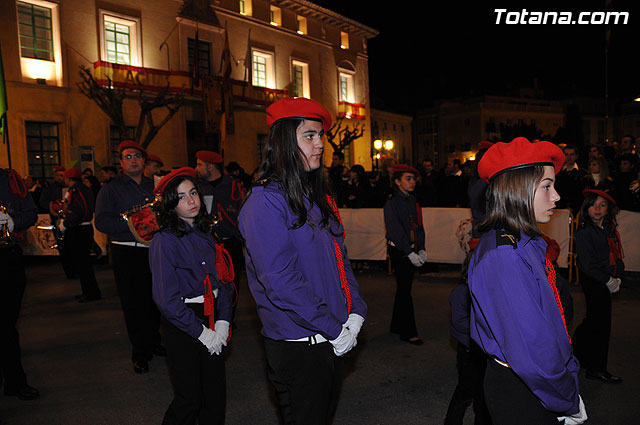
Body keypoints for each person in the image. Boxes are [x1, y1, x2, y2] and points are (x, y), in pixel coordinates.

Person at [239, 97, 367, 425]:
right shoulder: (265, 203)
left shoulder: (317, 197)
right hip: (300, 345)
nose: (320, 145)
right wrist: (333, 329)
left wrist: (355, 311)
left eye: (320, 136)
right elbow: (281, 282)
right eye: (309, 136)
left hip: (331, 334)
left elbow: (341, 261)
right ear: (283, 142)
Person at [468, 137, 586, 425]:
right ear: (516, 189)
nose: (556, 197)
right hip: (524, 388)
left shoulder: (526, 241)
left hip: (537, 383)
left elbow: (549, 321)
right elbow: (532, 347)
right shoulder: (504, 256)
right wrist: (565, 399)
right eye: (546, 186)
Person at [150, 167, 234, 425]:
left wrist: (222, 322)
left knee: (215, 395)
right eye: (182, 196)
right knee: (190, 398)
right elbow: (166, 299)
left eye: (194, 193)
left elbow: (226, 280)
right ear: (170, 205)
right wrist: (201, 333)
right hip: (183, 323)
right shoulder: (164, 240)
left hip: (213, 315)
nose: (191, 200)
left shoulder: (208, 231)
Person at [95, 140, 163, 374]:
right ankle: (140, 351)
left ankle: (155, 341)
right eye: (127, 157)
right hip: (126, 250)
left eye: (137, 156)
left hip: (153, 250)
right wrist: (134, 224)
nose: (133, 160)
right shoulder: (110, 189)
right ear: (121, 162)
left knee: (156, 299)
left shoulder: (155, 186)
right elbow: (102, 222)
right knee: (133, 303)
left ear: (144, 160)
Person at [571, 189, 624, 384]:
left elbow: (617, 255)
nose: (597, 209)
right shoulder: (584, 232)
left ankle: (577, 351)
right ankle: (597, 368)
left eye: (602, 205)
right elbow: (586, 264)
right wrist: (607, 280)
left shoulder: (609, 230)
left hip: (606, 278)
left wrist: (618, 276)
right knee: (601, 324)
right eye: (593, 205)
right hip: (593, 280)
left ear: (608, 209)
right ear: (586, 208)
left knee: (594, 321)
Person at [0, 168, 39, 401]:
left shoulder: (9, 179)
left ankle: (14, 382)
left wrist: (13, 222)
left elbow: (31, 213)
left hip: (6, 260)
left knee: (6, 327)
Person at [195, 150, 245, 316]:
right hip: (206, 243)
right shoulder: (198, 187)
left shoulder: (233, 186)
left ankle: (229, 317)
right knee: (208, 280)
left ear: (210, 166)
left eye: (200, 164)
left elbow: (243, 213)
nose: (197, 168)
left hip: (230, 242)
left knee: (231, 282)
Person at [384, 164, 426, 345]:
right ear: (397, 182)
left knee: (404, 288)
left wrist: (421, 248)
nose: (412, 182)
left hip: (410, 248)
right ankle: (408, 332)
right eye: (408, 179)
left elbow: (419, 226)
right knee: (405, 289)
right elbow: (395, 231)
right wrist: (409, 253)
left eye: (413, 178)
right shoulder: (392, 203)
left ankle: (396, 325)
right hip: (399, 250)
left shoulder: (412, 200)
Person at [444, 281, 492, 425]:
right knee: (466, 389)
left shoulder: (487, 288)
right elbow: (459, 323)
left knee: (483, 393)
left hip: (485, 349)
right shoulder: (461, 292)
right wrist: (488, 329)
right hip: (469, 349)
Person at [59, 167, 101, 302]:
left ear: (68, 178)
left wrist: (66, 223)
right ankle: (88, 291)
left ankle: (90, 293)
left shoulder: (76, 191)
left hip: (79, 229)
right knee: (84, 264)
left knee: (82, 264)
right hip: (84, 228)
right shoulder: (84, 189)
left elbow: (79, 212)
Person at [40, 165, 74, 278]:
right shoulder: (50, 189)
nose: (62, 178)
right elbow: (43, 201)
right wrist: (53, 205)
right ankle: (69, 270)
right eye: (60, 175)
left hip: (70, 221)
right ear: (55, 176)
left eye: (64, 176)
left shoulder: (70, 188)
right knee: (62, 246)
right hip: (57, 221)